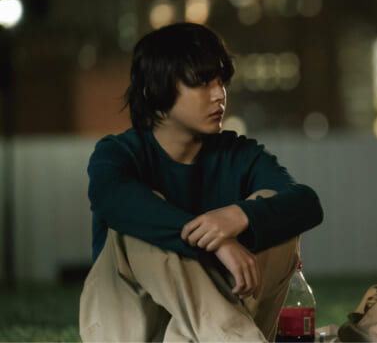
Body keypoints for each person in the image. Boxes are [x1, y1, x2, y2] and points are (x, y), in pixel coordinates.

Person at [79, 22, 324, 342]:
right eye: (202, 83)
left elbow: (306, 203)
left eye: (221, 82)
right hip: (133, 328)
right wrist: (217, 240)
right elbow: (112, 198)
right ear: (153, 90)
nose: (219, 94)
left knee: (273, 213)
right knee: (138, 221)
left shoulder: (238, 154)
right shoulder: (119, 153)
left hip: (204, 332)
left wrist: (239, 216)